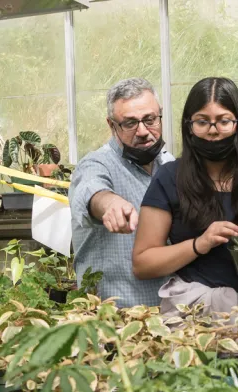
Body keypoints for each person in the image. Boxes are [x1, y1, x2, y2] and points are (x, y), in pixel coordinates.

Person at [131, 77, 238, 369]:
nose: (213, 131)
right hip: (194, 324)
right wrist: (199, 244)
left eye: (223, 121)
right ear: (188, 125)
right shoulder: (170, 177)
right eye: (202, 121)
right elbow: (143, 263)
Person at [70, 78, 174, 308]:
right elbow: (91, 189)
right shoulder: (98, 163)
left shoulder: (170, 166)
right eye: (129, 123)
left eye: (150, 119)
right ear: (111, 125)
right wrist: (110, 203)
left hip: (171, 318)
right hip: (114, 322)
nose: (143, 131)